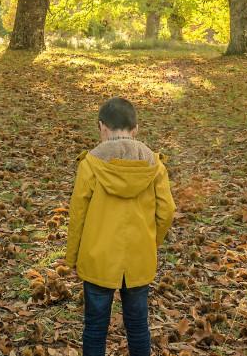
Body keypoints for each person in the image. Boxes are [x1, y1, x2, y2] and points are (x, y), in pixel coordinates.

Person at [65, 97, 175, 356]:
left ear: (102, 128)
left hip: (97, 259)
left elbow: (77, 214)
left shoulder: (91, 164)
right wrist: (151, 243)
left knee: (94, 328)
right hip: (138, 258)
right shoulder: (154, 164)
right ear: (135, 129)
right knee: (138, 327)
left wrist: (72, 257)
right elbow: (167, 210)